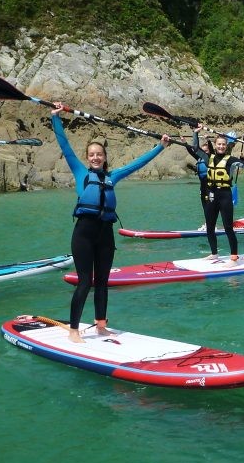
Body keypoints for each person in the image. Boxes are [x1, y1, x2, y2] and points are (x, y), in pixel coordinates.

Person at [51, 103, 169, 343]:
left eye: (99, 154)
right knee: (85, 282)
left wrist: (160, 146)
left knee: (103, 282)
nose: (95, 157)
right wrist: (56, 118)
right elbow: (65, 146)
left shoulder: (112, 176)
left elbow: (138, 163)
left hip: (105, 234)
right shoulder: (81, 173)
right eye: (92, 154)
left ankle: (101, 326)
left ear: (105, 158)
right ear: (87, 158)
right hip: (84, 234)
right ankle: (74, 330)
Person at [202, 131, 244, 260]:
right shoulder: (209, 158)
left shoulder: (231, 160)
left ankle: (234, 257)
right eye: (219, 144)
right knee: (210, 227)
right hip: (211, 195)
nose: (221, 146)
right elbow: (194, 149)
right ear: (215, 145)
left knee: (228, 228)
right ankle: (214, 254)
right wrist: (196, 134)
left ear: (226, 146)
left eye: (223, 144)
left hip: (225, 195)